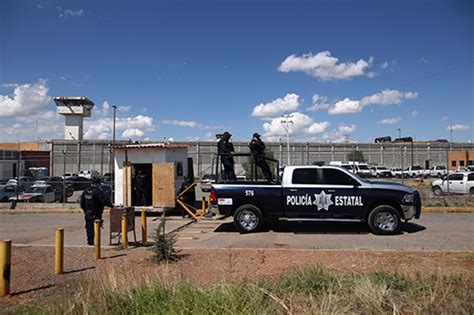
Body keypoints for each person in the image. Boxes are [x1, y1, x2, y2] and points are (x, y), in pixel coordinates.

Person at [80, 178, 113, 246]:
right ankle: (95, 244)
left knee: (89, 228)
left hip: (88, 213)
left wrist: (86, 211)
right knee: (95, 229)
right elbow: (104, 201)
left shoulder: (85, 191)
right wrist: (112, 206)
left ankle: (90, 241)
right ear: (97, 184)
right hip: (96, 213)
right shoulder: (98, 192)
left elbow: (82, 203)